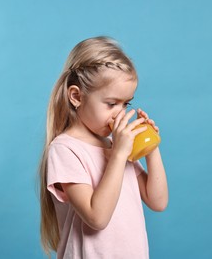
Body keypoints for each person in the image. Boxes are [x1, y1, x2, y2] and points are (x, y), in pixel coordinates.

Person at [38, 36, 168, 258]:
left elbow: (158, 201)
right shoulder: (65, 150)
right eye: (111, 104)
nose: (120, 112)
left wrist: (151, 148)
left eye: (126, 103)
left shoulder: (116, 146)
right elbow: (97, 217)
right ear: (76, 96)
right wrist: (119, 155)